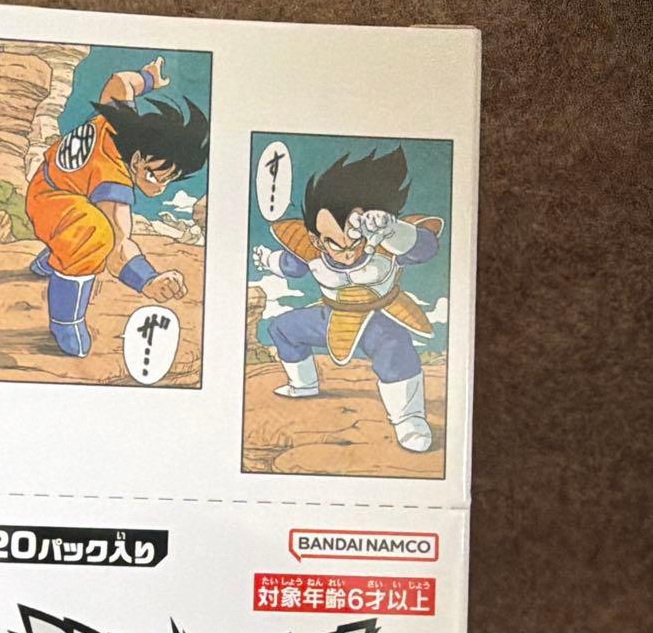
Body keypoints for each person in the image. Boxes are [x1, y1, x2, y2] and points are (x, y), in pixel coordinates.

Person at [253, 148, 443, 453]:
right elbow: (293, 265)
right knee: (283, 328)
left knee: (396, 349)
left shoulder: (387, 243)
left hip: (378, 319)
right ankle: (303, 385)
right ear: (317, 238)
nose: (347, 252)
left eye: (355, 242)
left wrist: (392, 231)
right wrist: (268, 260)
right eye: (334, 243)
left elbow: (426, 248)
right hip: (331, 317)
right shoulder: (312, 249)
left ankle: (409, 419)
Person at [26, 57, 209, 356]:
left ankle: (53, 257)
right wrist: (148, 280)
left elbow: (120, 83)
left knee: (81, 222)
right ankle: (65, 321)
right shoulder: (114, 182)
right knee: (94, 236)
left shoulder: (119, 119)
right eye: (155, 176)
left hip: (49, 185)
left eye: (169, 180)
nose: (158, 188)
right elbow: (118, 247)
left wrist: (147, 79)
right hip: (51, 201)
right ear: (137, 159)